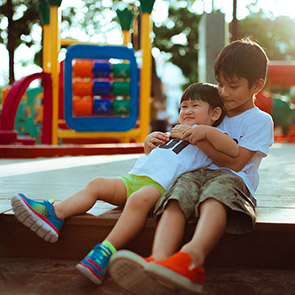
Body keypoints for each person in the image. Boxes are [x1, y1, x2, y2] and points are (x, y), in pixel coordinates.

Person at [11, 82, 238, 286]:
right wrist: (149, 143)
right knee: (97, 183)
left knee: (138, 200)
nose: (187, 111)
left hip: (159, 187)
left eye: (195, 106)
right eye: (183, 107)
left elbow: (231, 149)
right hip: (134, 179)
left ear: (215, 113)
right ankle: (55, 214)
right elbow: (158, 156)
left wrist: (203, 131)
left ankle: (104, 252)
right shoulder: (174, 132)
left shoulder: (210, 138)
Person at [108, 38, 274, 294]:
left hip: (234, 181)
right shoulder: (214, 110)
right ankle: (160, 261)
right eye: (220, 84)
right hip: (196, 174)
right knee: (175, 195)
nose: (224, 92)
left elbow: (238, 161)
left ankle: (190, 259)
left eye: (233, 86)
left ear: (257, 86)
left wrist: (201, 135)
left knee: (214, 196)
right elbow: (183, 143)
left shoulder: (259, 120)